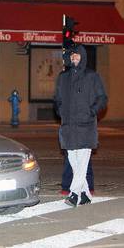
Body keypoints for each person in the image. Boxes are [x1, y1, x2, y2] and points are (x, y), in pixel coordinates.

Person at [54, 45, 107, 207]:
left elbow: (102, 98)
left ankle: (73, 194)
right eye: (72, 56)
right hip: (68, 127)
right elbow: (57, 98)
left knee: (82, 162)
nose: (74, 59)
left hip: (86, 127)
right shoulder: (63, 77)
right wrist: (60, 110)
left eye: (77, 56)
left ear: (83, 57)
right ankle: (85, 195)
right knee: (75, 163)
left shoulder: (92, 76)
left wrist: (91, 112)